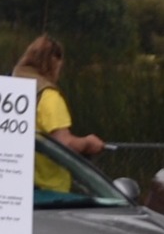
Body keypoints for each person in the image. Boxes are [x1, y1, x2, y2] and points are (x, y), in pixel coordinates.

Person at [11, 35, 102, 193]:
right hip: (49, 190)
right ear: (53, 62)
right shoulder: (49, 97)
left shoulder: (10, 89)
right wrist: (88, 143)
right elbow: (64, 144)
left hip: (15, 186)